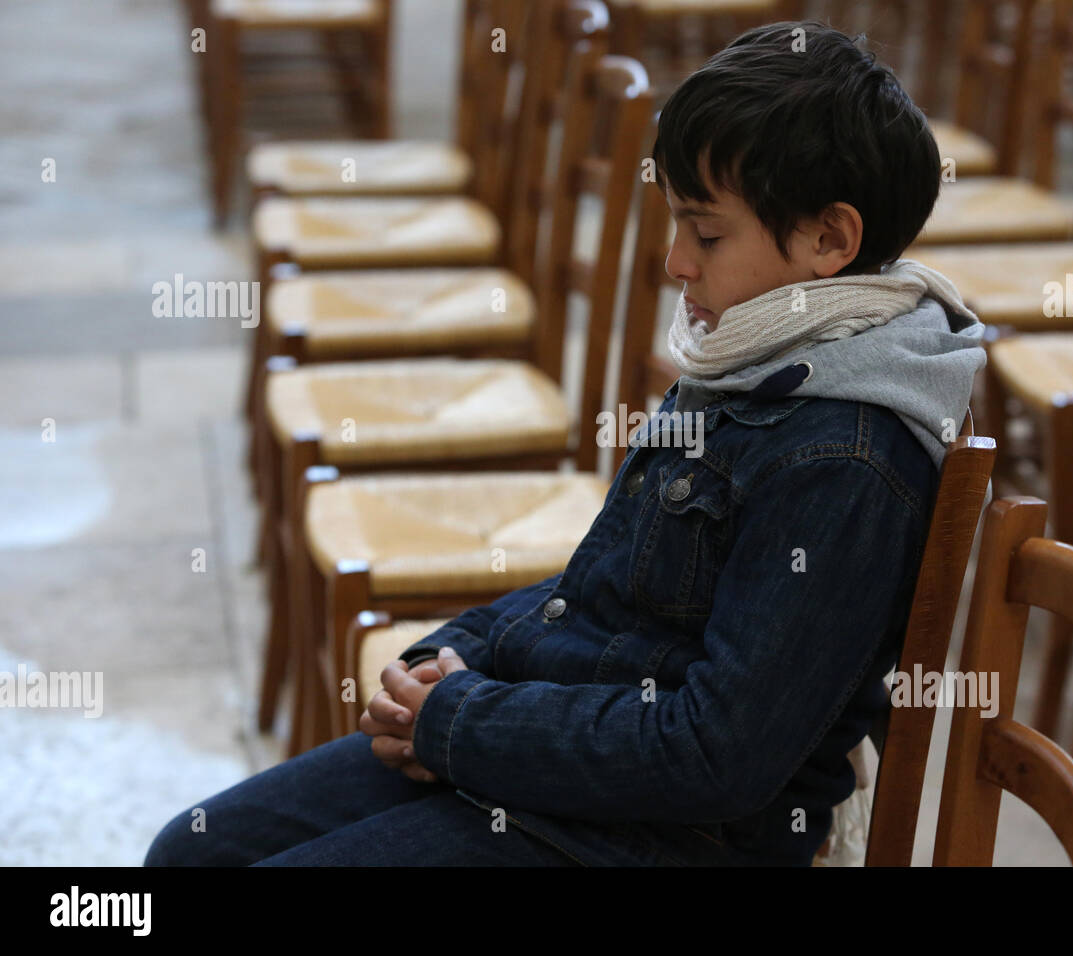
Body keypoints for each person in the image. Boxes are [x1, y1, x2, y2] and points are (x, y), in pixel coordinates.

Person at [145, 19, 986, 867]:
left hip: (669, 836)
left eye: (707, 234)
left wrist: (462, 722)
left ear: (829, 241)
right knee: (189, 853)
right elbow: (603, 585)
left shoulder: (843, 456)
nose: (675, 263)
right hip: (572, 747)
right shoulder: (763, 359)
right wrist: (453, 659)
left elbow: (715, 757)